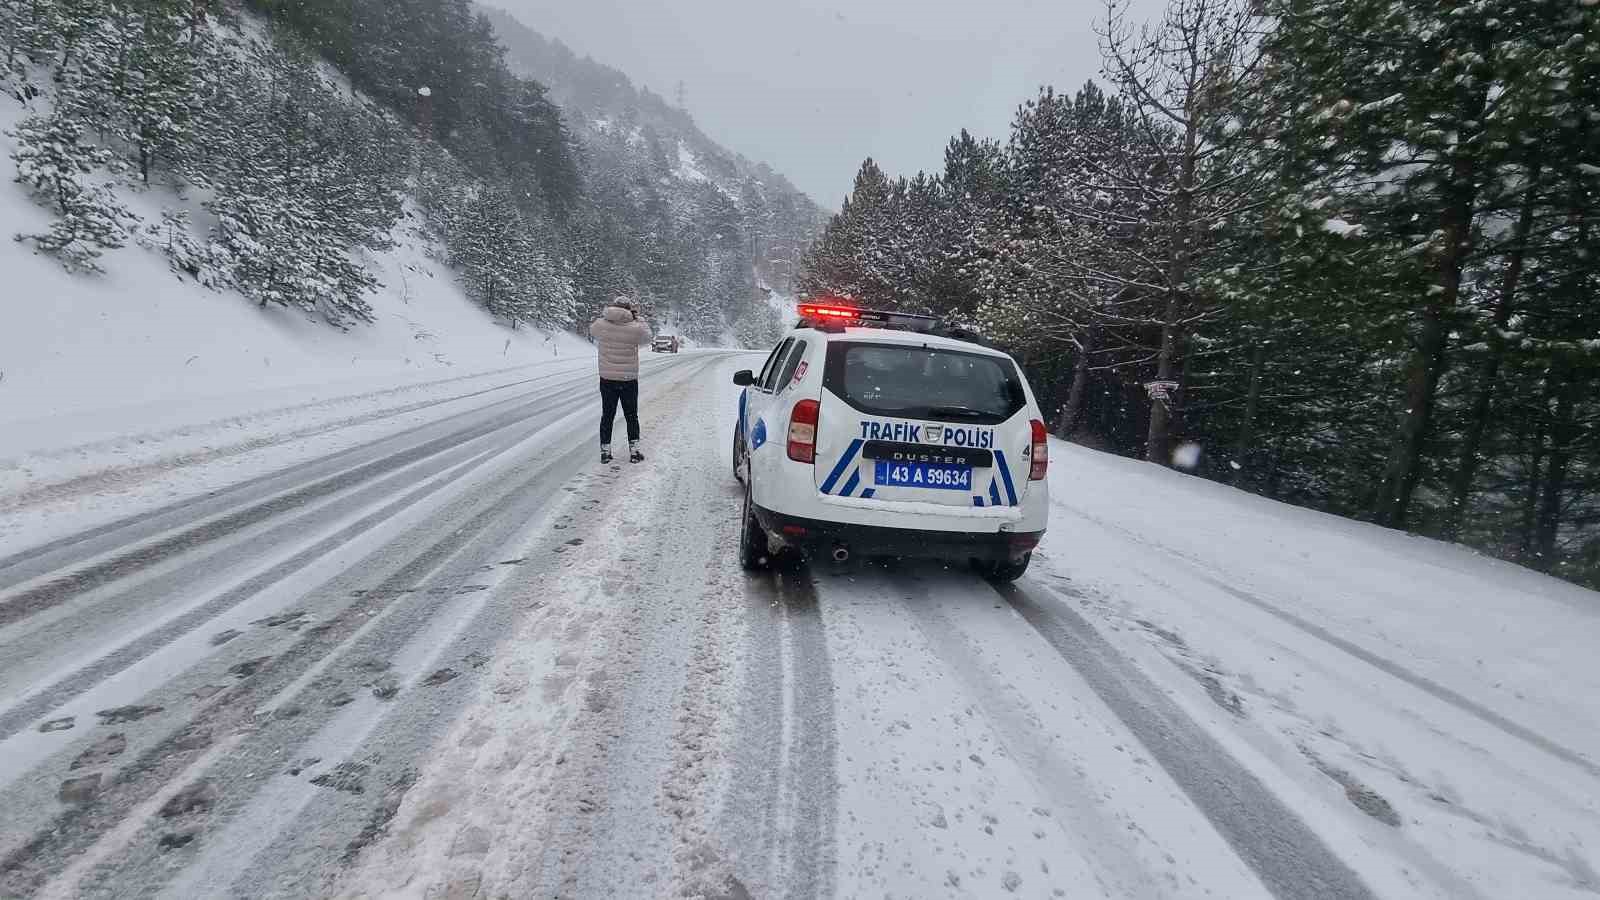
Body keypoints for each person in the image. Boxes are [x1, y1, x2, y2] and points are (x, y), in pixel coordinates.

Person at [590, 297, 652, 464]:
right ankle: (634, 451)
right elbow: (647, 338)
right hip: (628, 379)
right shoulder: (635, 327)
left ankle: (605, 452)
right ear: (629, 309)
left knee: (607, 415)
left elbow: (592, 330)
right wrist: (639, 318)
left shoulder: (602, 325)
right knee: (631, 416)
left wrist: (606, 316)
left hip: (607, 379)